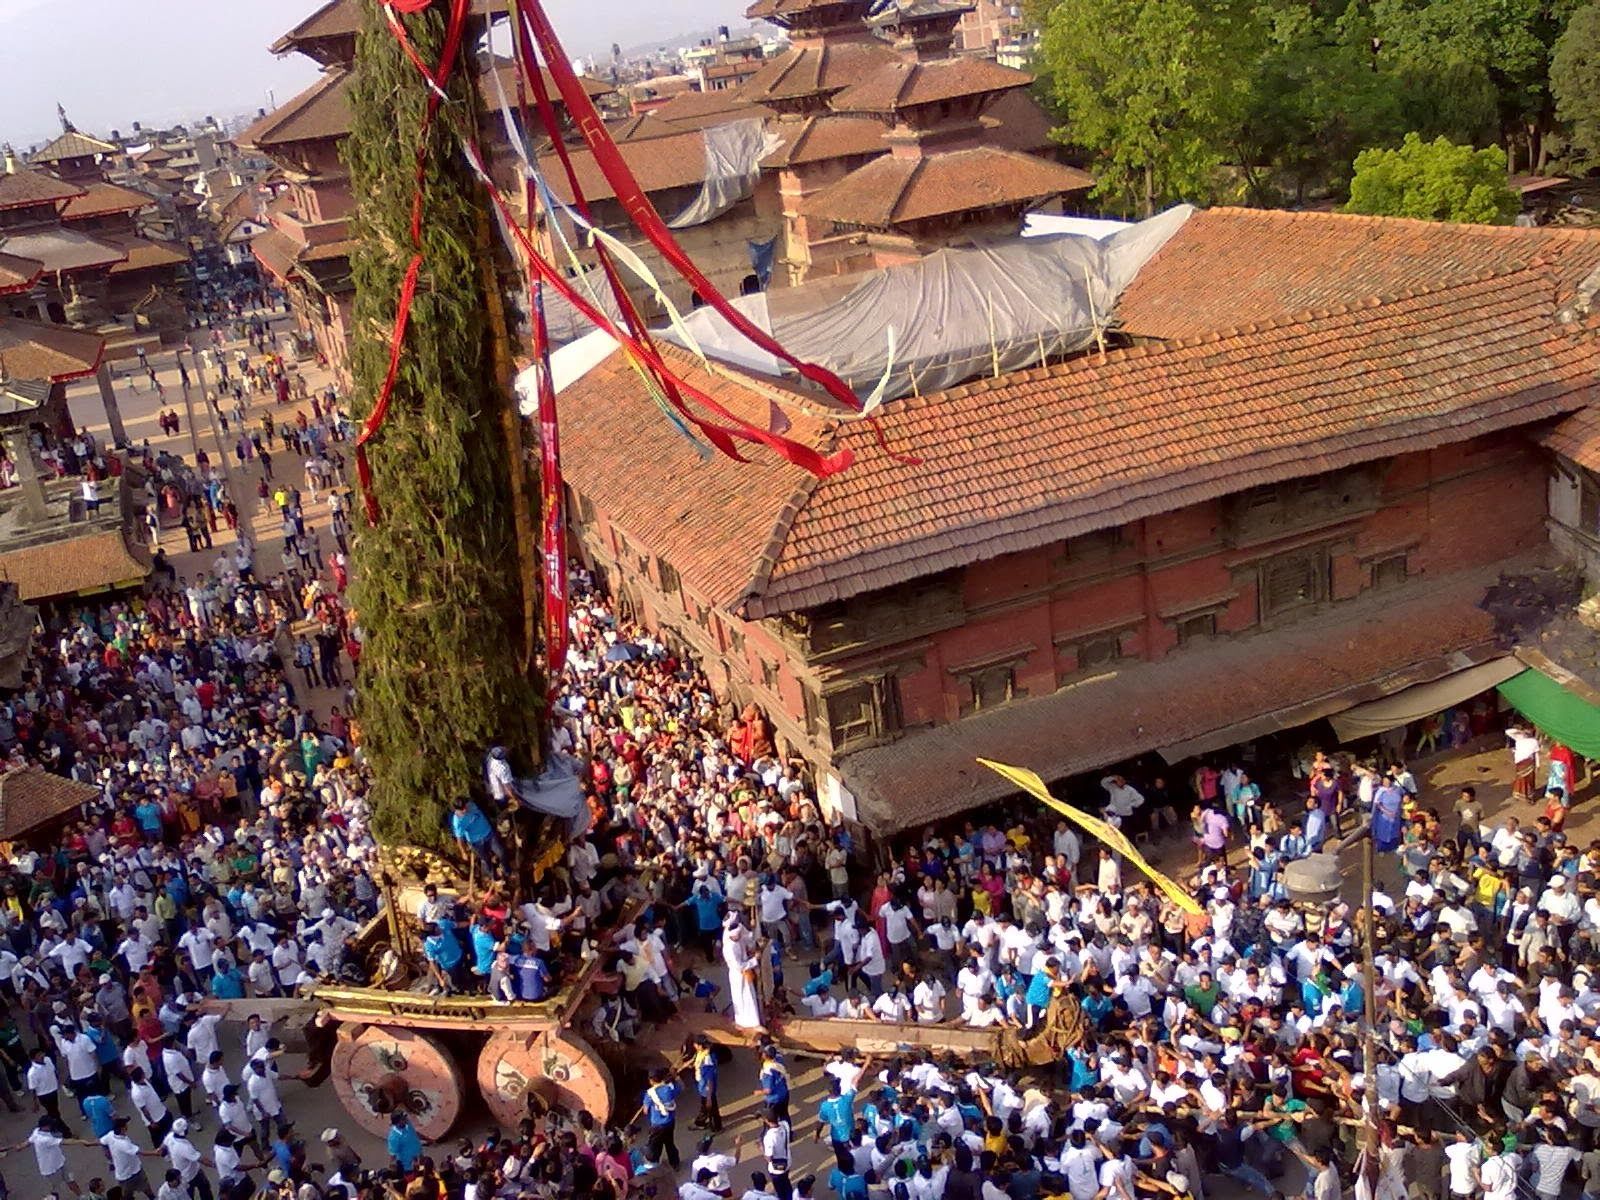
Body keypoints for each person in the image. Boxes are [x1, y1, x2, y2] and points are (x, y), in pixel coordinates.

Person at [643, 1065, 680, 1169]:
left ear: (651, 1080)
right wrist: (676, 1077)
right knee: (670, 1143)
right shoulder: (669, 1088)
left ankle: (655, 1166)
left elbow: (645, 1110)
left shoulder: (649, 1094)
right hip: (670, 1122)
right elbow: (680, 1087)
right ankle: (675, 1163)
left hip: (657, 1125)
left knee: (655, 1147)